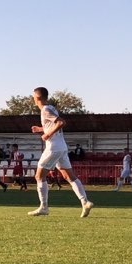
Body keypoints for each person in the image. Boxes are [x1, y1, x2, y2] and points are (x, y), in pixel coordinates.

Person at [28, 86, 93, 217]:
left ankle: (44, 207)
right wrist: (40, 129)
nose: (33, 98)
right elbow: (53, 124)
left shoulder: (45, 110)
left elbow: (61, 122)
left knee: (39, 176)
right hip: (62, 147)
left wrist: (47, 134)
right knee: (69, 176)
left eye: (33, 96)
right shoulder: (51, 108)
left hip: (53, 147)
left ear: (37, 97)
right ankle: (85, 202)